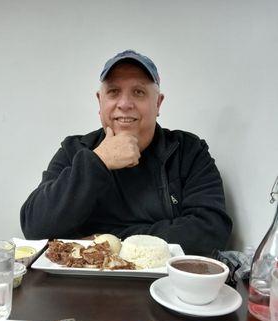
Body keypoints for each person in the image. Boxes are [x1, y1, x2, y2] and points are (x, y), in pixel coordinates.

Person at [20, 50, 232, 255]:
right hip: (83, 284)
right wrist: (98, 161)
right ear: (99, 102)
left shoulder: (188, 151)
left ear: (158, 103)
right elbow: (35, 228)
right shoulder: (74, 150)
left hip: (163, 285)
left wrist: (109, 242)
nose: (124, 104)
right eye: (113, 92)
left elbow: (211, 231)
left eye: (138, 92)